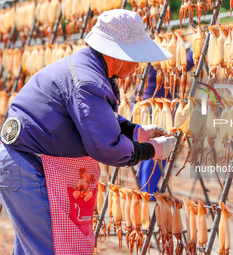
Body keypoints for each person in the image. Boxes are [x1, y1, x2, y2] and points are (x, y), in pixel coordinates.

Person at [0, 9, 177, 255]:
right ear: (117, 55)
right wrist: (153, 150)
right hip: (27, 167)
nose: (137, 67)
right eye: (135, 58)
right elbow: (105, 146)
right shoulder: (88, 81)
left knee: (36, 248)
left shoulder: (88, 69)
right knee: (48, 249)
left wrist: (138, 132)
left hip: (24, 162)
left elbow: (95, 119)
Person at [138, 44, 194, 194]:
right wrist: (192, 50)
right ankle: (149, 189)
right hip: (158, 108)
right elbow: (184, 65)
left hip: (146, 107)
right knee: (159, 148)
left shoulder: (144, 58)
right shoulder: (159, 61)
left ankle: (145, 186)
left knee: (146, 147)